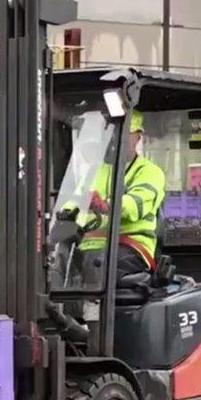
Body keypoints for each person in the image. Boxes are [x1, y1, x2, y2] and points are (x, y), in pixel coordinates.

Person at [78, 110, 166, 281]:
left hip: (131, 245)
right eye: (112, 133)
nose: (116, 139)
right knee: (50, 264)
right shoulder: (95, 170)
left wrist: (106, 205)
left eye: (124, 134)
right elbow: (74, 200)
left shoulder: (150, 172)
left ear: (138, 137)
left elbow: (136, 204)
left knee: (99, 265)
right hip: (91, 243)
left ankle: (92, 308)